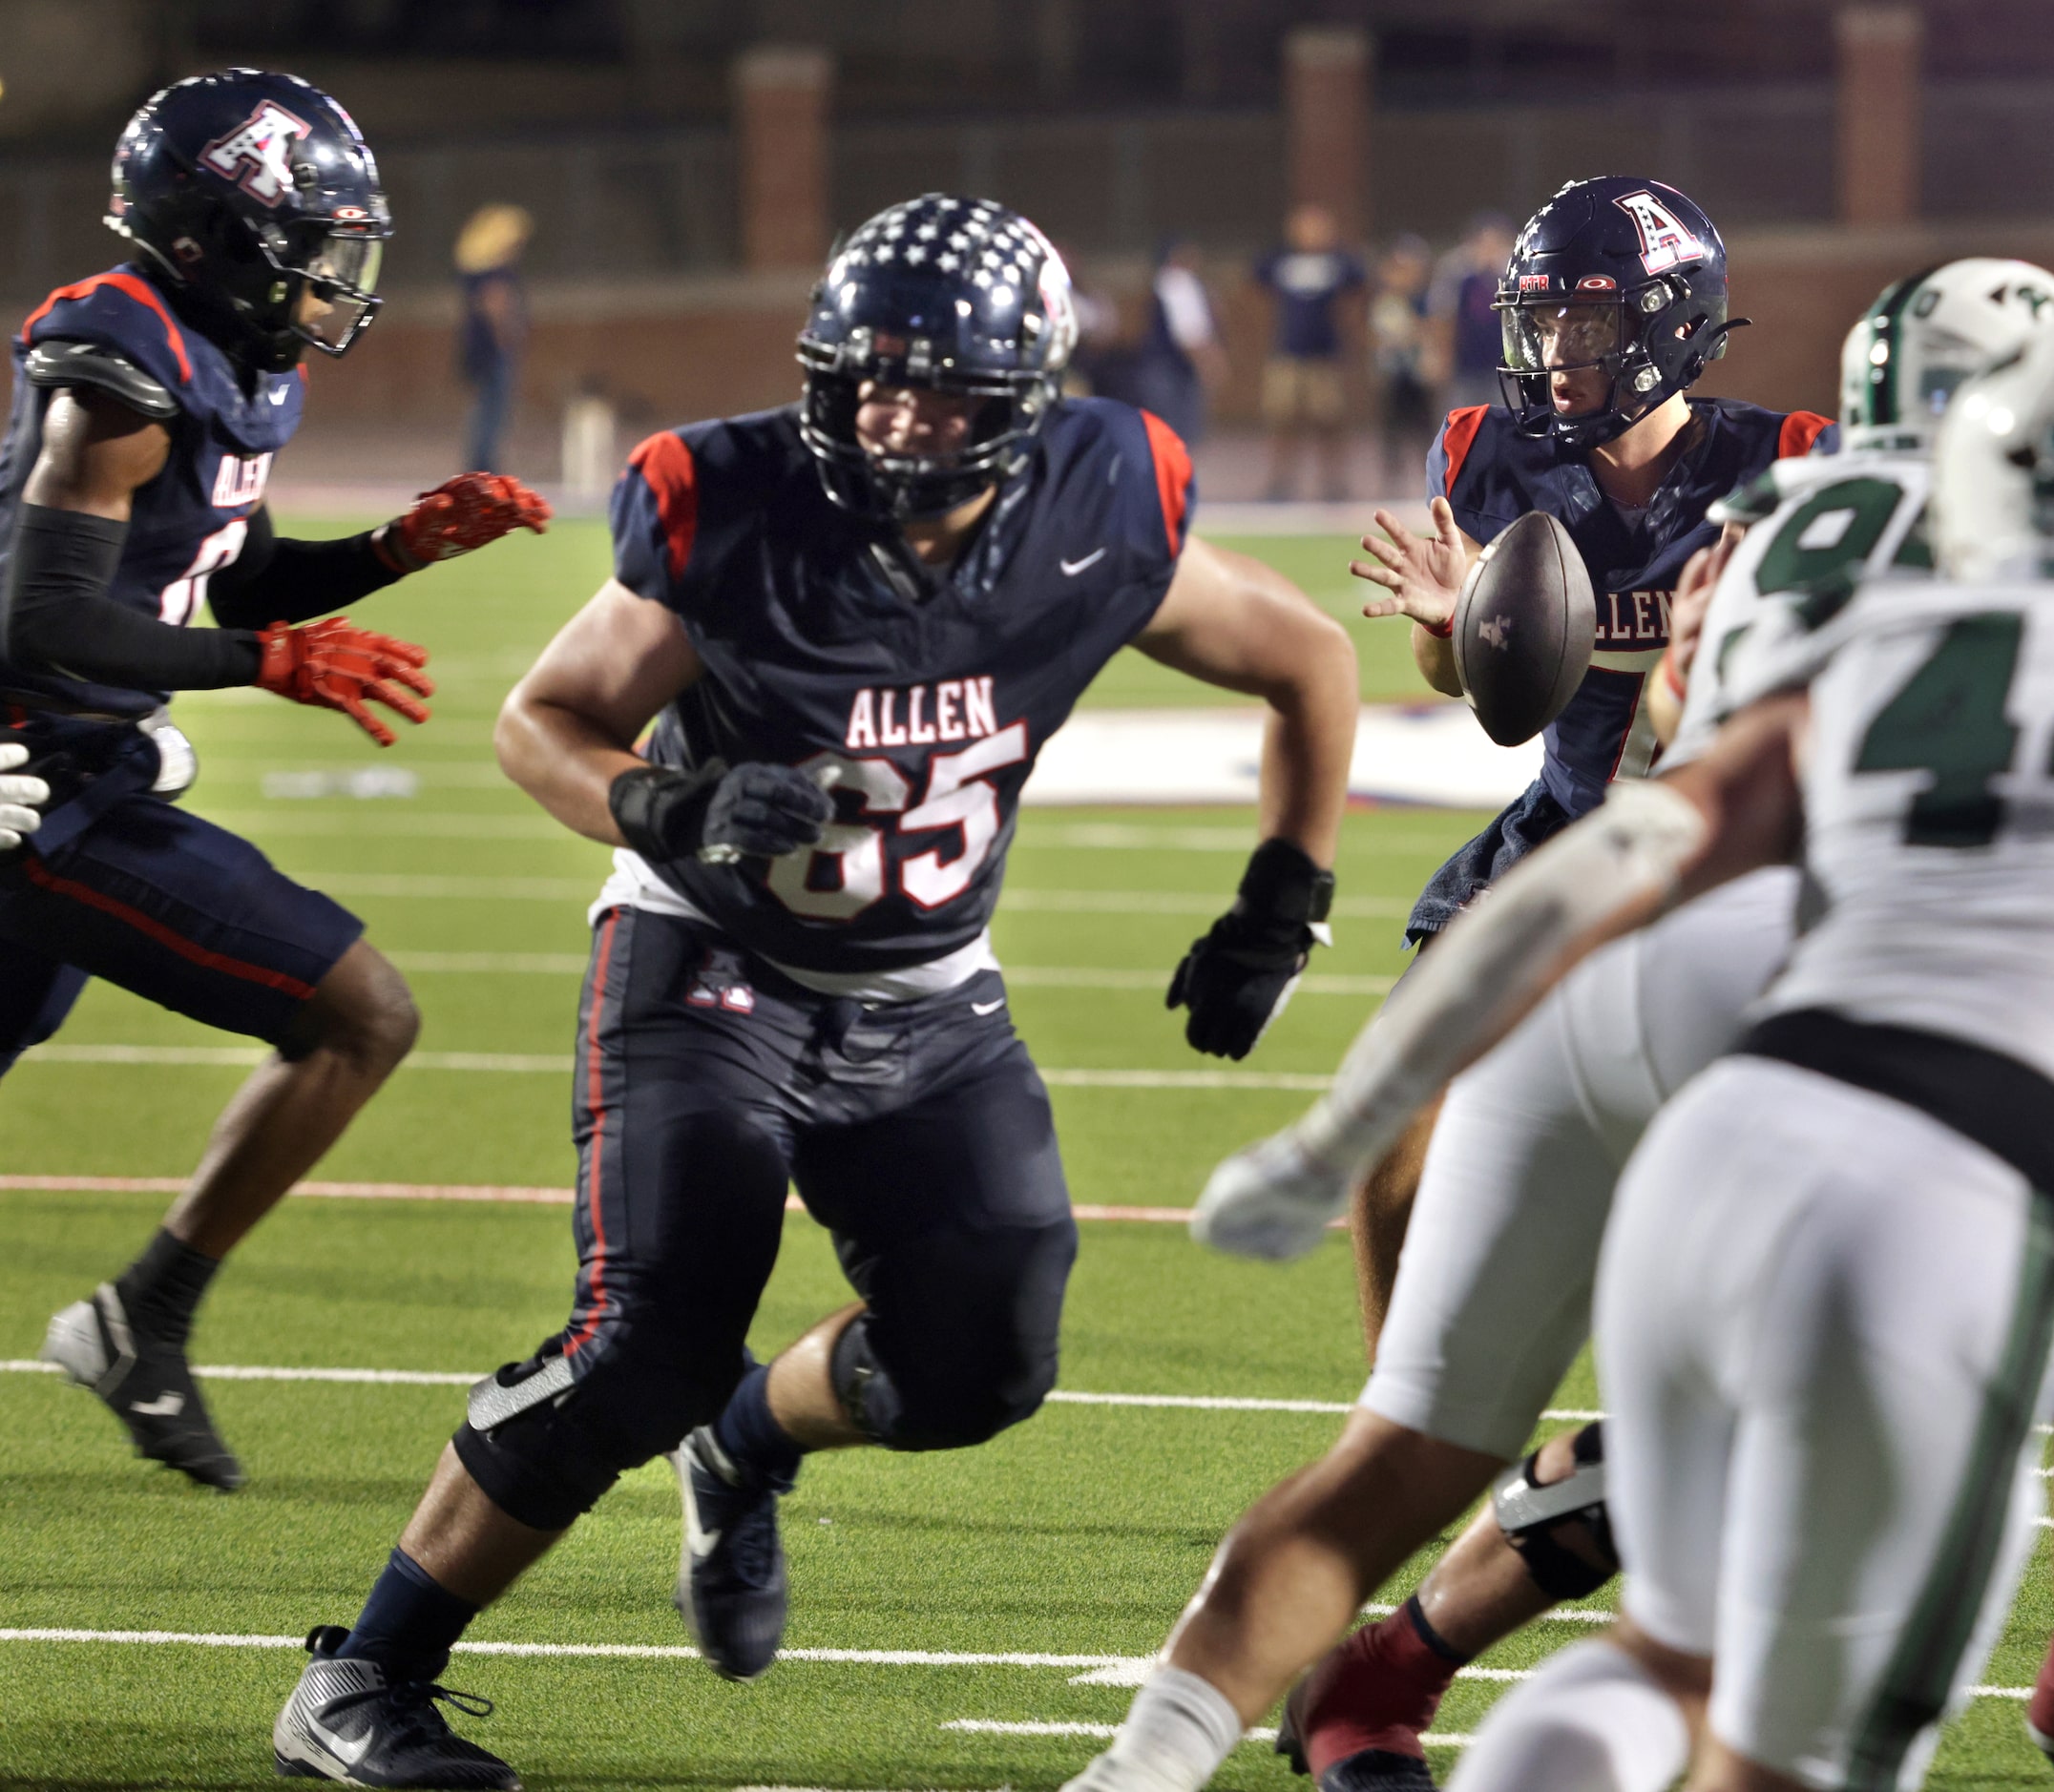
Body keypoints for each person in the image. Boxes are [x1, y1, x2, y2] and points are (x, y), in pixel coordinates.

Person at [1065, 264, 2054, 1792]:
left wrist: (1341, 1120)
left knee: (1430, 1451)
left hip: (1626, 950)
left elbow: (1658, 805)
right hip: (1846, 1009)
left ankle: (1191, 1745)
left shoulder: (1768, 525)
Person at [269, 192, 1359, 1789]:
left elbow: (1309, 656)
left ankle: (754, 1436)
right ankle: (366, 1672)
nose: (893, 418)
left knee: (984, 1361)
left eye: (938, 391)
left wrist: (1284, 897)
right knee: (648, 1336)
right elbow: (546, 718)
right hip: (710, 958)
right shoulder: (740, 504)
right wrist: (671, 805)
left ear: (1025, 406)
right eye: (867, 380)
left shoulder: (1097, 503)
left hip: (927, 987)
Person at [14, 70, 549, 1492]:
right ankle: (148, 1317)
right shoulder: (118, 363)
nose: (332, 273)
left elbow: (214, 565)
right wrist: (268, 666)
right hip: (32, 784)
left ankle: (142, 1322)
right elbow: (48, 615)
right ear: (211, 234)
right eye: (308, 238)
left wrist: (393, 550)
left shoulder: (227, 357)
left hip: (82, 762)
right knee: (359, 1011)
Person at [1346, 174, 1826, 1365]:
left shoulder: (1796, 467)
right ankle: (1399, 1413)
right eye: (1544, 319)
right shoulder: (1487, 458)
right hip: (1564, 833)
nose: (1557, 350)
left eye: (1590, 321)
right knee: (1393, 1124)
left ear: (1669, 322)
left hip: (1735, 859)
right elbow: (1477, 698)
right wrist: (1458, 623)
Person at [1256, 201, 1364, 501]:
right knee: (1282, 420)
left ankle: (1334, 483)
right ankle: (1280, 483)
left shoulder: (1339, 261)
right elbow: (1256, 278)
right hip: (1288, 355)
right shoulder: (1281, 259)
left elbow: (1360, 281)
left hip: (1325, 357)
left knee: (1330, 422)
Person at [455, 204, 531, 474]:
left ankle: (480, 466)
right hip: (493, 350)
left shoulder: (473, 272)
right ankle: (485, 468)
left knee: (482, 409)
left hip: (475, 347)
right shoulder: (495, 273)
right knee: (492, 411)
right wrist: (506, 337)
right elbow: (495, 305)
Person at [1132, 236, 1224, 448]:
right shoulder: (1177, 283)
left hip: (1161, 364)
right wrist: (1208, 362)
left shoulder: (1166, 282)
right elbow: (1189, 333)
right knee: (1175, 432)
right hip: (1172, 367)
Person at [1426, 211, 1513, 413]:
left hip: (1502, 361)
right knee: (1463, 418)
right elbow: (1442, 315)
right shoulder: (1456, 272)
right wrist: (1440, 355)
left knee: (1502, 416)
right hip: (1464, 361)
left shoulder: (1510, 271)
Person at [1369, 234, 1433, 490]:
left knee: (1423, 423)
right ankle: (1392, 475)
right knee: (1391, 424)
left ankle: (1430, 472)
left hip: (1415, 369)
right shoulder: (1385, 299)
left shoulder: (1424, 299)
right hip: (1392, 368)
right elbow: (1376, 334)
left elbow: (1428, 330)